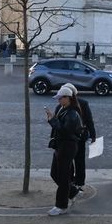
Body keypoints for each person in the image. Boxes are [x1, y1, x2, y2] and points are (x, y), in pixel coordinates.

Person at [45, 85, 83, 216]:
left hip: (67, 146)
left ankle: (61, 205)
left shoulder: (72, 113)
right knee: (55, 173)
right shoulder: (64, 109)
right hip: (62, 146)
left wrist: (52, 120)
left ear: (68, 98)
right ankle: (72, 192)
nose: (58, 100)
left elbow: (65, 131)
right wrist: (53, 120)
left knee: (62, 176)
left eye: (60, 98)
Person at [61, 83, 97, 191]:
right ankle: (80, 182)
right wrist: (93, 135)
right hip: (80, 136)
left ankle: (71, 180)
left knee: (69, 161)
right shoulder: (83, 103)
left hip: (68, 138)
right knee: (80, 160)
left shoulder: (61, 105)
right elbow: (89, 120)